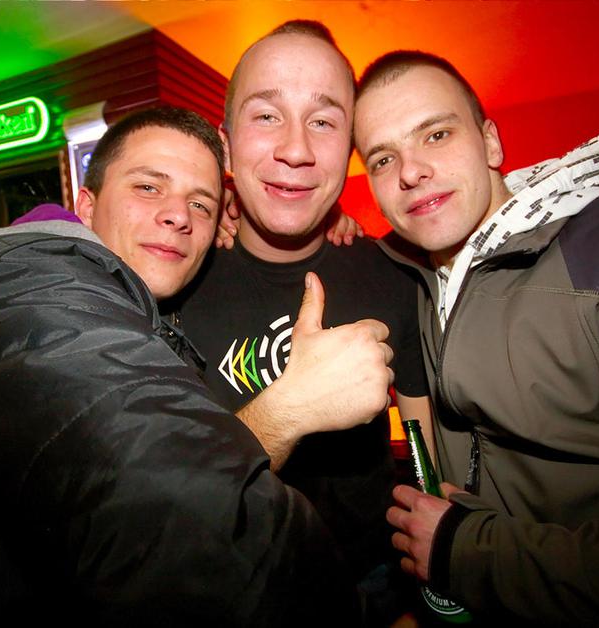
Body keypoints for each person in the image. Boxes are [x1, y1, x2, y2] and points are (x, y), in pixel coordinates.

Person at [0, 106, 394, 625]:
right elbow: (188, 531)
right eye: (148, 187)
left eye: (201, 203)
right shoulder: (32, 286)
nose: (178, 216)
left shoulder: (123, 307)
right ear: (85, 207)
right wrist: (292, 406)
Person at [352, 50, 599, 625]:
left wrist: (471, 552)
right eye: (383, 158)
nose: (410, 172)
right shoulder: (409, 271)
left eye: (436, 134)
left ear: (490, 142)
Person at [163, 20, 433, 626]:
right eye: (266, 115)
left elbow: (427, 459)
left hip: (376, 587)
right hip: (222, 596)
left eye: (324, 121)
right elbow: (151, 506)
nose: (295, 149)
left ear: (350, 146)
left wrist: (425, 598)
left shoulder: (393, 274)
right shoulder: (170, 284)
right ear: (225, 143)